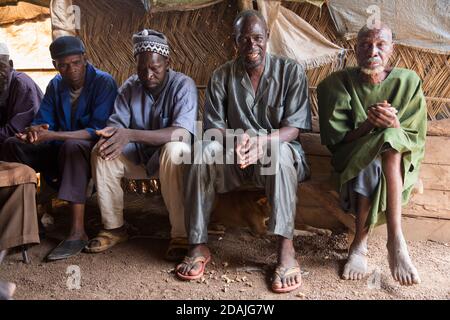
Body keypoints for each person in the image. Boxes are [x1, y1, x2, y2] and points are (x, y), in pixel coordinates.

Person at [177, 10, 311, 294]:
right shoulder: (221, 75)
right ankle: (198, 244)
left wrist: (262, 142)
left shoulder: (291, 72)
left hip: (276, 151)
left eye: (258, 38)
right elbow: (213, 127)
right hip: (234, 153)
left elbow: (293, 129)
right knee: (199, 152)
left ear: (268, 38)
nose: (252, 46)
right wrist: (238, 139)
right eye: (244, 39)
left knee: (282, 153)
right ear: (234, 41)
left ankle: (286, 249)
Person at [317, 25, 426, 286]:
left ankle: (361, 244)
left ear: (392, 49)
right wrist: (368, 125)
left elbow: (415, 137)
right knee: (378, 147)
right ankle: (395, 241)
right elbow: (337, 142)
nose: (373, 51)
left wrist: (393, 125)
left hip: (398, 161)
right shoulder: (337, 83)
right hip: (352, 155)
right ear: (356, 49)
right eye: (365, 44)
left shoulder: (407, 82)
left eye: (380, 45)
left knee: (386, 145)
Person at [2, 36, 118, 261]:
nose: (71, 69)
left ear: (85, 59)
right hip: (58, 148)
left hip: (90, 152)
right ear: (55, 65)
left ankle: (77, 232)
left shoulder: (104, 82)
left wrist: (52, 134)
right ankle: (26, 224)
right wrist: (33, 132)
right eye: (63, 65)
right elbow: (44, 121)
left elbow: (98, 130)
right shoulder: (56, 84)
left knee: (73, 145)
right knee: (11, 145)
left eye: (76, 63)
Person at [86, 29, 197, 261]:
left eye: (155, 68)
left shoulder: (183, 85)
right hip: (139, 159)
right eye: (142, 69)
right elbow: (118, 129)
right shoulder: (130, 87)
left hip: (171, 163)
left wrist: (130, 134)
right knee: (101, 151)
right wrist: (111, 135)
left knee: (175, 149)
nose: (148, 75)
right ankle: (115, 228)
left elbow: (181, 132)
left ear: (168, 62)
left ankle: (181, 235)